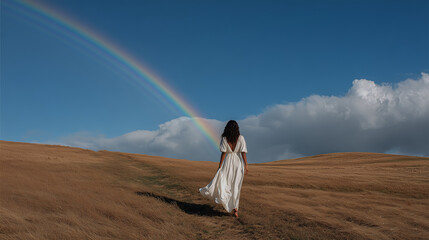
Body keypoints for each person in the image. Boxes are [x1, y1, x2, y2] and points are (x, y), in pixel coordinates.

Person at [199, 120, 249, 218]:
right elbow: (243, 152)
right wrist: (246, 165)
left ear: (227, 128)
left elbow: (223, 153)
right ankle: (235, 210)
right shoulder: (241, 138)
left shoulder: (225, 139)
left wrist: (220, 166)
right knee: (236, 187)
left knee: (226, 183)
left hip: (228, 163)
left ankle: (227, 201)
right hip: (238, 164)